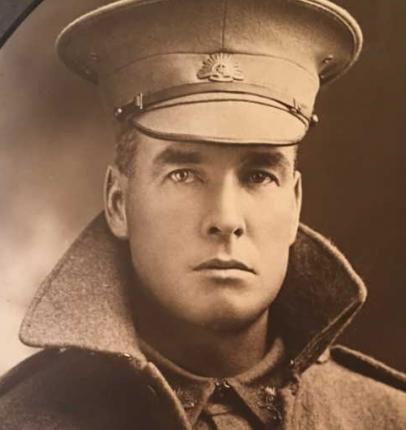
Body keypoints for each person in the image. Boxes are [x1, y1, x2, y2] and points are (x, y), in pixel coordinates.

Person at [0, 0, 405, 429]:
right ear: (119, 203)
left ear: (295, 205)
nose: (226, 218)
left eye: (259, 176)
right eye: (185, 174)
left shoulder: (386, 417)